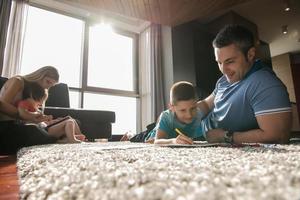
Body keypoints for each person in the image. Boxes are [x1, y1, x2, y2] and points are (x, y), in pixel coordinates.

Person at [198, 24, 292, 144]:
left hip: (206, 141)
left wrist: (224, 136)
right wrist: (184, 115)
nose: (223, 70)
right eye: (219, 63)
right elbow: (207, 104)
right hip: (191, 131)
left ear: (250, 54)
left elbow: (278, 136)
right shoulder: (224, 79)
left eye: (230, 61)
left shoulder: (265, 83)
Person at [0, 66, 59, 154]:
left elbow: (34, 115)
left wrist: (41, 118)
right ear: (40, 75)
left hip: (22, 125)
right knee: (34, 131)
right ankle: (56, 140)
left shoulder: (41, 92)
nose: (47, 87)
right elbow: (3, 105)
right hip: (6, 125)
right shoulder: (18, 81)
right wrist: (24, 115)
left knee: (40, 129)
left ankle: (53, 140)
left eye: (51, 85)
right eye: (48, 82)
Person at [17, 82, 84, 143]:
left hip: (45, 127)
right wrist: (41, 116)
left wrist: (49, 120)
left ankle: (73, 137)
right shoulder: (24, 104)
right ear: (34, 96)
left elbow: (40, 120)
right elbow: (26, 117)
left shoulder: (34, 107)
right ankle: (72, 139)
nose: (40, 104)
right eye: (40, 101)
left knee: (70, 119)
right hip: (44, 130)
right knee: (70, 122)